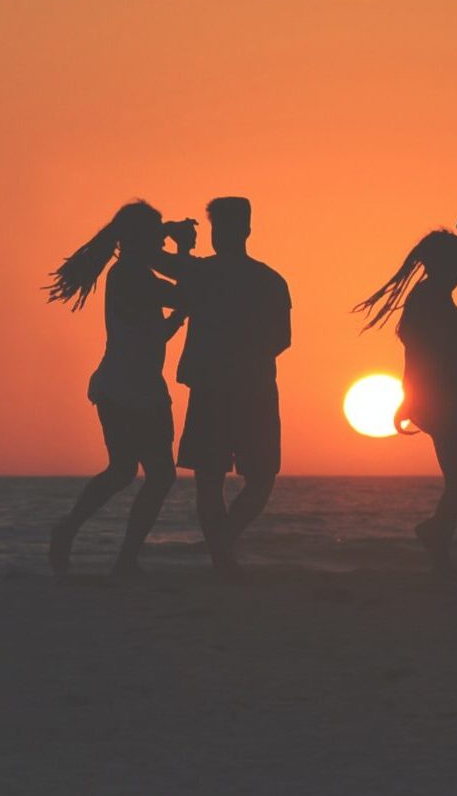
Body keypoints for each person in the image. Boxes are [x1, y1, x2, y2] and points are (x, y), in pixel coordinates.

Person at [44, 200, 188, 578]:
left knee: (129, 471)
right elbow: (178, 294)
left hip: (128, 385)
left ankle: (87, 540)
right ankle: (115, 554)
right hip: (129, 389)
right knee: (151, 474)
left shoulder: (132, 272)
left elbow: (155, 330)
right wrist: (184, 251)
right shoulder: (129, 274)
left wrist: (176, 316)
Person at [353, 227, 457, 571]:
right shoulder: (431, 300)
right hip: (444, 402)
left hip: (439, 402)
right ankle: (436, 531)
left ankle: (439, 546)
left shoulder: (433, 296)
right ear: (446, 265)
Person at [153, 197, 291, 578]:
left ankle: (221, 548)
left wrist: (169, 237)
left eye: (222, 228)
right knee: (243, 477)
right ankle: (222, 553)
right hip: (247, 388)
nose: (220, 236)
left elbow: (152, 258)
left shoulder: (214, 275)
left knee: (226, 477)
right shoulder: (266, 279)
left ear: (244, 229)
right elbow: (282, 339)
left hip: (227, 388)